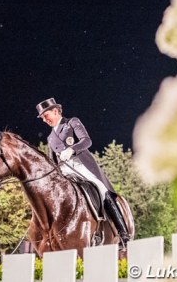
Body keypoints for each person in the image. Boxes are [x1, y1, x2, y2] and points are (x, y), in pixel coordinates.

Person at [36, 97, 129, 248]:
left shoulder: (71, 122)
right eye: (42, 118)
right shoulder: (50, 137)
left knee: (101, 189)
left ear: (55, 111)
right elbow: (52, 161)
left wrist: (72, 149)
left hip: (81, 165)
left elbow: (87, 141)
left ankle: (123, 233)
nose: (45, 120)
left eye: (46, 116)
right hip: (64, 170)